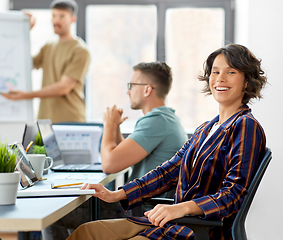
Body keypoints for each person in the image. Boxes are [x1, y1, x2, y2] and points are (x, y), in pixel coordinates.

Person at [66, 43, 268, 240]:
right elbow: (167, 172)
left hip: (197, 230)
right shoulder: (205, 129)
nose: (220, 79)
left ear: (247, 82)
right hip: (171, 223)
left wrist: (180, 208)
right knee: (86, 232)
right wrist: (116, 194)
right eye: (215, 72)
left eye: (231, 72)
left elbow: (234, 194)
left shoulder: (245, 126)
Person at [41, 61, 188, 240]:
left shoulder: (156, 121)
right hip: (140, 202)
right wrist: (116, 128)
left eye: (132, 85)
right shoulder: (166, 118)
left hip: (138, 208)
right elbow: (125, 155)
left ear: (147, 89)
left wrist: (108, 125)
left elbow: (110, 165)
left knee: (52, 215)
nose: (128, 91)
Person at [1, 0, 90, 123]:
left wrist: (25, 95)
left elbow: (63, 88)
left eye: (61, 16)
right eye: (53, 16)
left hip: (70, 120)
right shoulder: (49, 46)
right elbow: (25, 64)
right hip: (45, 120)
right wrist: (24, 29)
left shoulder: (80, 50)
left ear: (73, 19)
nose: (55, 21)